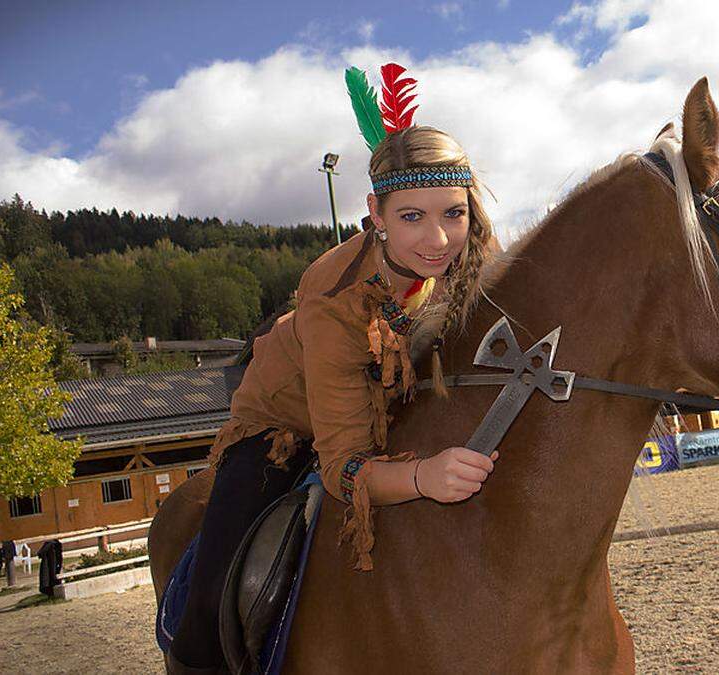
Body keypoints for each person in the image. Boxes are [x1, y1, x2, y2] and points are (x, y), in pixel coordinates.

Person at [166, 64, 501, 674]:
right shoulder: (333, 301)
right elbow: (342, 465)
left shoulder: (471, 245)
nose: (439, 240)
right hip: (281, 425)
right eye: (410, 217)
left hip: (389, 404)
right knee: (212, 609)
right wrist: (423, 478)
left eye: (453, 213)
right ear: (375, 211)